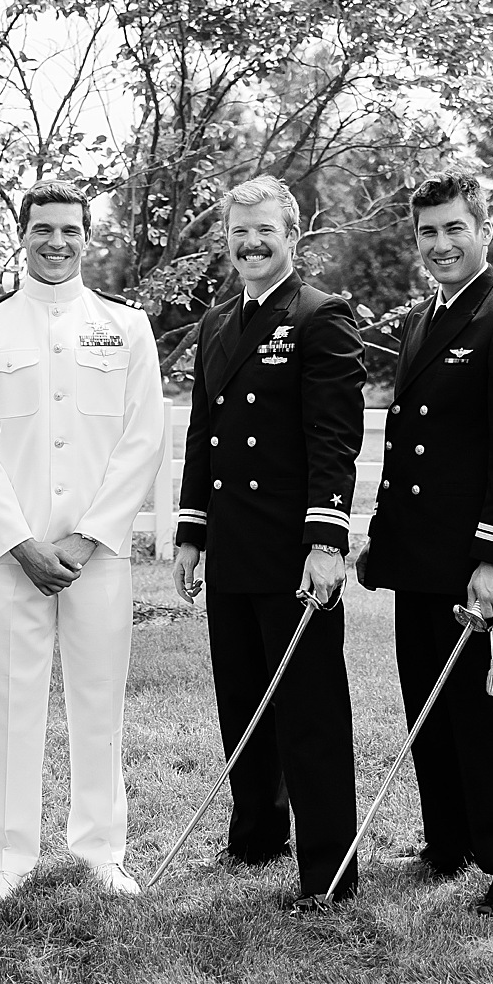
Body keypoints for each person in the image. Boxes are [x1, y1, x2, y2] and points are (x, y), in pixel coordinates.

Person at [0, 183, 167, 904]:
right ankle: (8, 855)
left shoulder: (126, 326)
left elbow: (143, 439)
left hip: (96, 556)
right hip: (12, 558)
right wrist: (21, 543)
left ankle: (102, 848)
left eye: (70, 229)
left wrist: (89, 534)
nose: (56, 242)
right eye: (43, 228)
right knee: (11, 702)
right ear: (23, 234)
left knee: (100, 700)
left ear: (86, 237)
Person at [356, 171, 493, 916]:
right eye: (427, 232)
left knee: (486, 709)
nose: (440, 244)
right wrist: (383, 541)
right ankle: (450, 840)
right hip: (419, 554)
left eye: (454, 229)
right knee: (428, 704)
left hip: (475, 558)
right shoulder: (425, 318)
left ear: (484, 232)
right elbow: (412, 444)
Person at [173, 175, 365, 912]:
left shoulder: (320, 315)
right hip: (232, 545)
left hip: (294, 549)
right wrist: (191, 532)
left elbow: (333, 439)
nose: (251, 244)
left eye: (265, 232)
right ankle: (255, 835)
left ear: (292, 236)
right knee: (242, 699)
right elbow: (204, 435)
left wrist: (327, 541)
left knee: (309, 710)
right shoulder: (218, 322)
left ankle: (329, 868)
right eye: (239, 233)